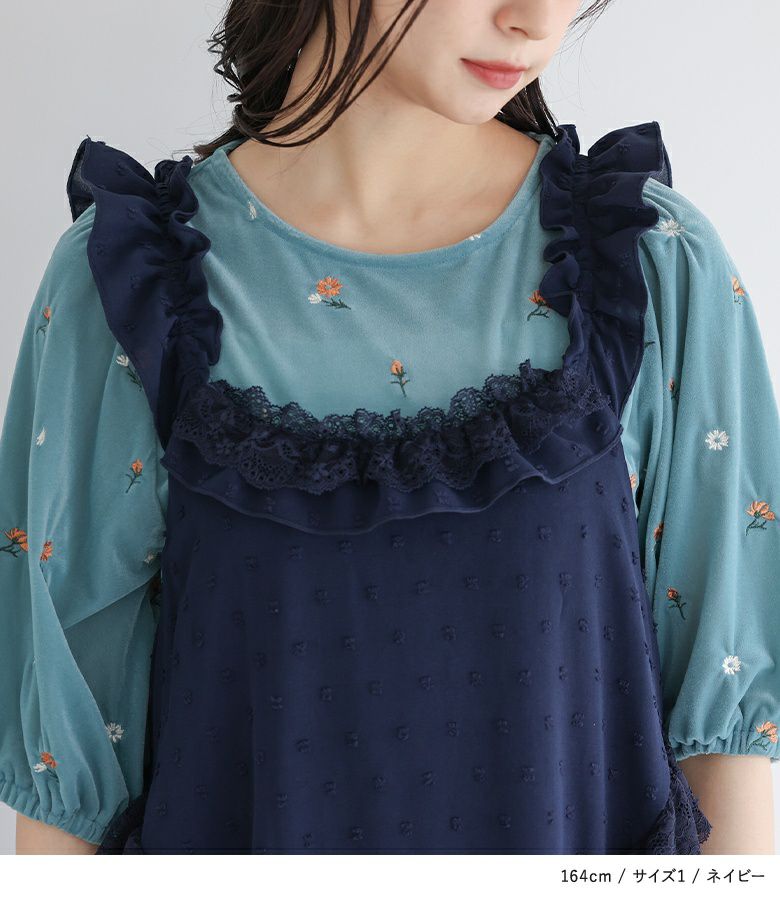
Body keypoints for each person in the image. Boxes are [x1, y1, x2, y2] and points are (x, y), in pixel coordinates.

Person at [3, 0, 778, 854]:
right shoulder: (125, 286)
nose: (536, 19)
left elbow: (728, 750)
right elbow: (67, 792)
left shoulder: (652, 262)